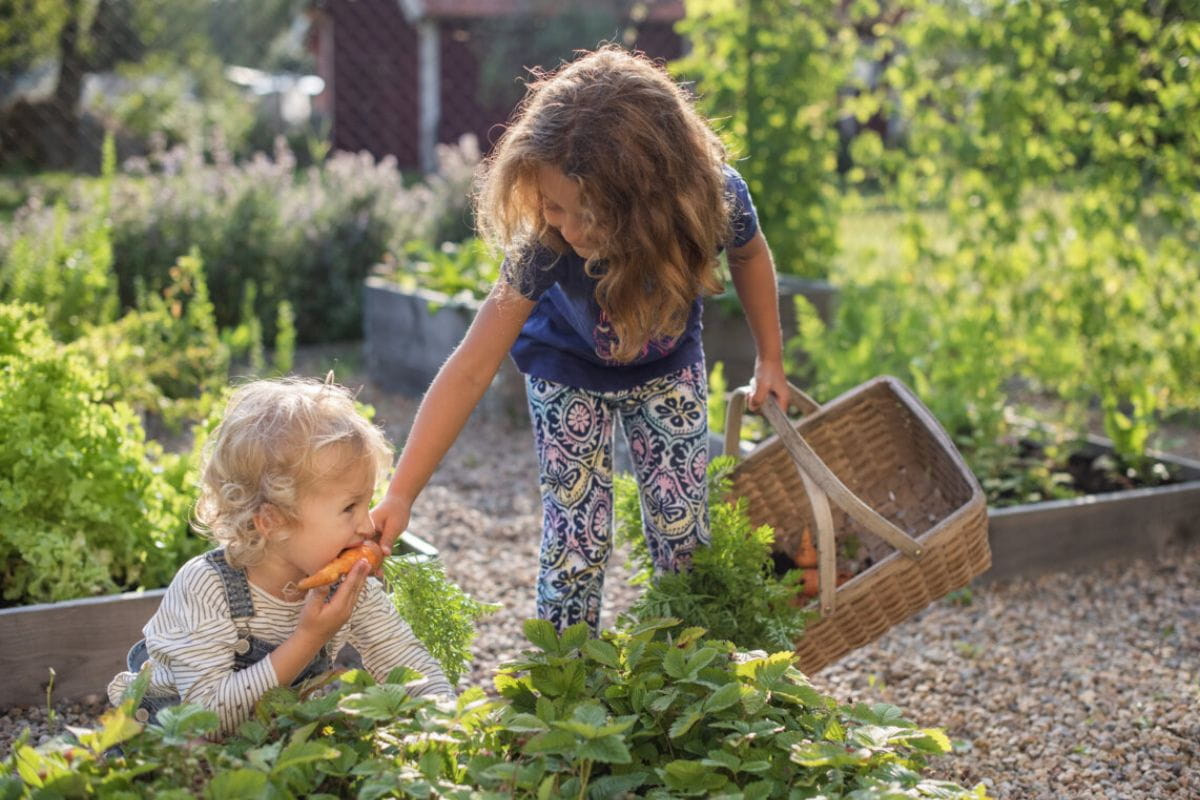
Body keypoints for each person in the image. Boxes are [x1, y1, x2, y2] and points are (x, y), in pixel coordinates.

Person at [372, 46, 789, 633]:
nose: (567, 226)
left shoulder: (710, 199)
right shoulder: (546, 246)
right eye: (552, 206)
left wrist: (770, 358)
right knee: (577, 546)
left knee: (683, 535)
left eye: (588, 214)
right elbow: (471, 367)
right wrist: (400, 494)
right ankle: (566, 683)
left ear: (648, 201)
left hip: (666, 369)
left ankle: (688, 675)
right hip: (567, 374)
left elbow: (749, 255)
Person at [107, 378, 452, 735]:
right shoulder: (208, 587)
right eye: (350, 507)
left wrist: (449, 725)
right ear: (273, 521)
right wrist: (309, 638)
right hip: (171, 747)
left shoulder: (346, 585)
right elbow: (204, 721)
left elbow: (404, 658)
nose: (368, 526)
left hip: (262, 745)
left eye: (367, 502)